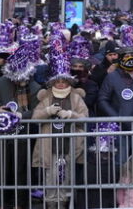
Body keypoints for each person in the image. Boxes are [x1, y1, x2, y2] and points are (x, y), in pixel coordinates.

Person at [31, 48, 88, 208]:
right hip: (50, 147)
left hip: (70, 146)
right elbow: (35, 117)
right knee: (50, 178)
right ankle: (50, 204)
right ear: (53, 83)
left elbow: (85, 118)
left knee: (65, 178)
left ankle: (63, 204)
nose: (61, 84)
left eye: (64, 81)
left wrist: (71, 114)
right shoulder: (47, 98)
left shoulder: (76, 97)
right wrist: (47, 111)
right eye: (58, 81)